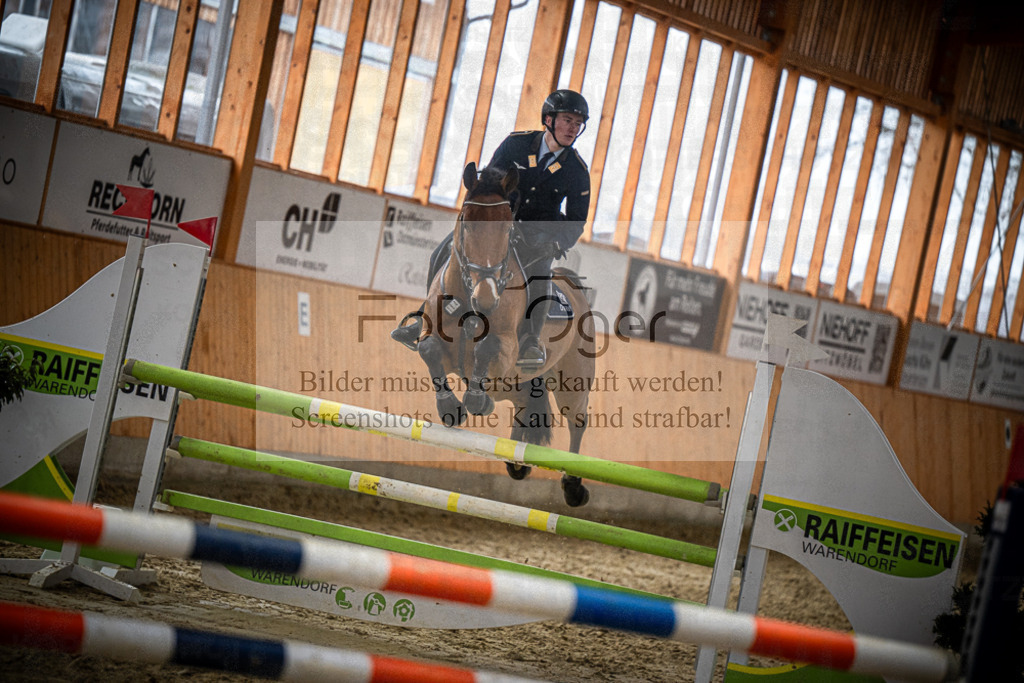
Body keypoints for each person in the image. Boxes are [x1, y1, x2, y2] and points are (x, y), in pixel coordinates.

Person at [391, 89, 592, 368]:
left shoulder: (577, 170)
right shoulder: (516, 144)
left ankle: (531, 340)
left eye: (578, 124)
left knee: (541, 274)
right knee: (444, 249)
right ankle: (424, 317)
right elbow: (489, 180)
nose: (573, 128)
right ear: (549, 119)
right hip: (497, 223)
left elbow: (576, 220)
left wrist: (557, 244)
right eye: (568, 120)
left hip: (537, 237)